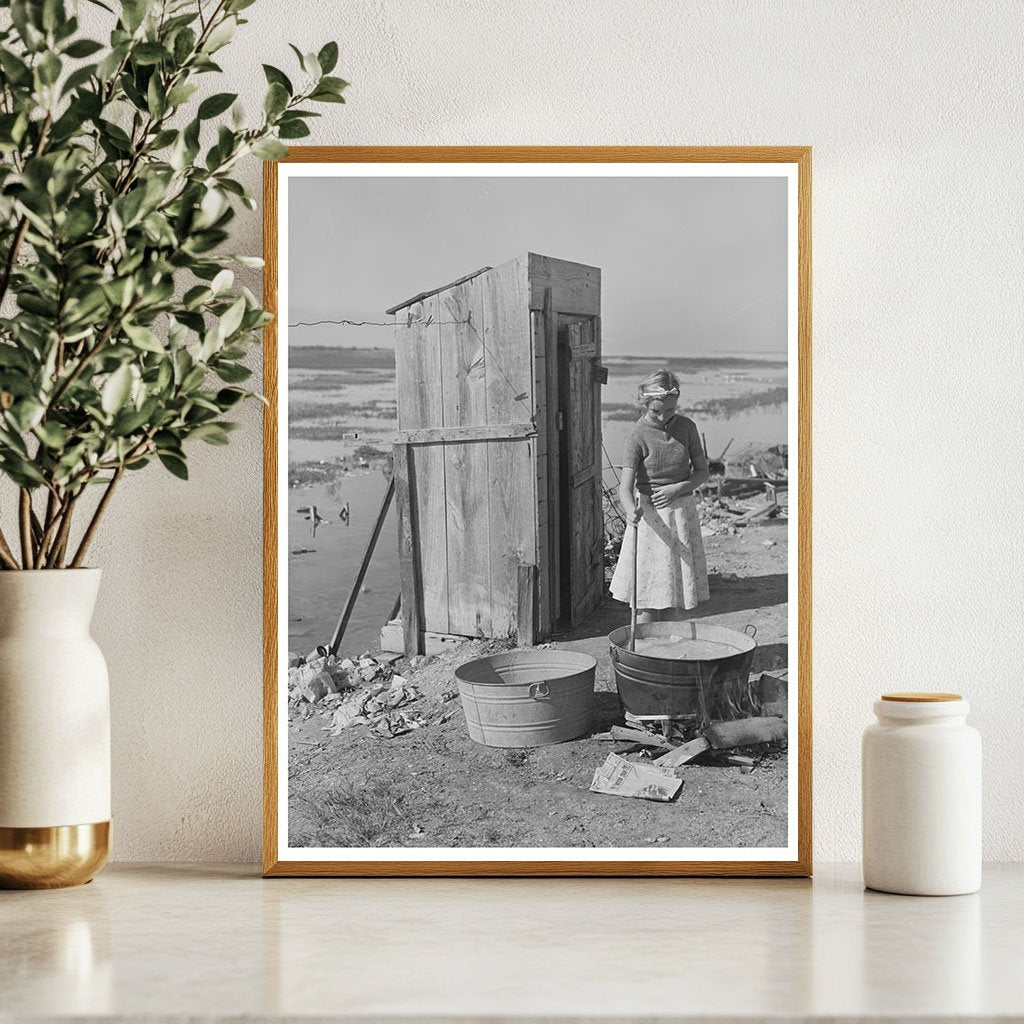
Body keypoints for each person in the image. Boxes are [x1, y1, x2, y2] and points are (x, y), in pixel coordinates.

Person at [609, 369, 710, 623]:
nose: (663, 416)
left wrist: (678, 488)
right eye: (656, 411)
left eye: (670, 410)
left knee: (672, 594)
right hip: (650, 520)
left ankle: (665, 652)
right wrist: (630, 509)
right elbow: (625, 488)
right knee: (646, 597)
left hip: (682, 513)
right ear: (645, 403)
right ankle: (643, 653)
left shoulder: (687, 428)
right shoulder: (637, 436)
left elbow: (702, 472)